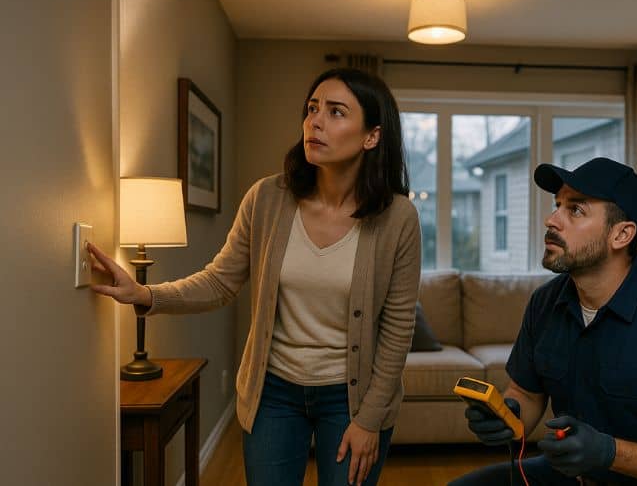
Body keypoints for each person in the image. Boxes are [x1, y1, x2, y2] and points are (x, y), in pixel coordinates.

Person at [89, 68, 421, 486]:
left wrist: (370, 419)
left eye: (336, 112)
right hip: (273, 392)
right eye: (313, 108)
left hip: (353, 398)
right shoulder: (267, 198)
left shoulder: (398, 218)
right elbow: (219, 281)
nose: (315, 121)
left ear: (371, 136)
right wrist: (145, 294)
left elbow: (397, 328)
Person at [450, 157, 637, 486]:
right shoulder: (544, 303)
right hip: (571, 475)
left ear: (621, 234)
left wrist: (610, 452)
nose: (551, 219)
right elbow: (527, 392)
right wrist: (507, 414)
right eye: (557, 205)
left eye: (575, 210)